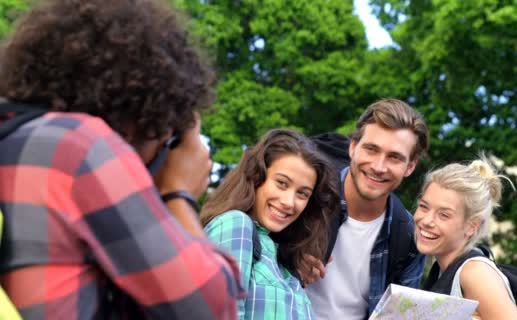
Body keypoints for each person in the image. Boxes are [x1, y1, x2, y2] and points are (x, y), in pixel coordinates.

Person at [0, 0, 242, 319]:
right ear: (145, 114)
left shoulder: (14, 134)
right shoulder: (79, 146)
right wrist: (177, 193)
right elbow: (210, 307)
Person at [304, 99, 430, 319]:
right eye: (371, 149)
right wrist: (286, 261)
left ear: (410, 166)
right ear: (353, 147)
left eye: (394, 157)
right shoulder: (305, 197)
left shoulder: (410, 236)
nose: (379, 167)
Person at [201, 129, 340, 320]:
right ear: (257, 177)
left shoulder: (286, 267)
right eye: (282, 183)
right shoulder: (235, 224)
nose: (289, 202)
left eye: (303, 193)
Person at [415, 157, 517, 319]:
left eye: (444, 215)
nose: (427, 220)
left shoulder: (475, 274)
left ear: (472, 226)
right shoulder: (442, 269)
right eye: (424, 206)